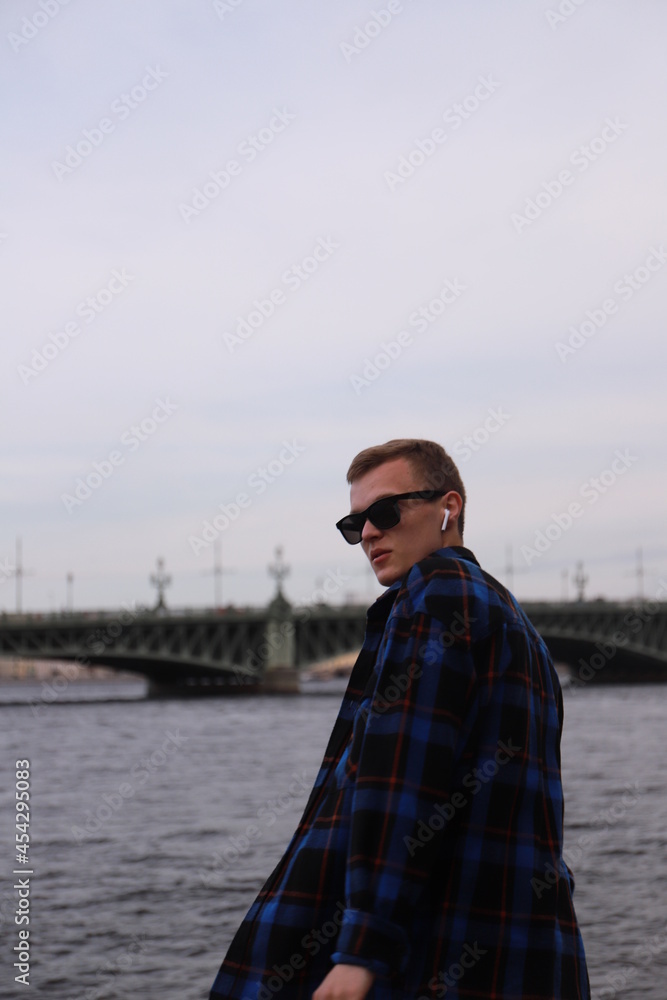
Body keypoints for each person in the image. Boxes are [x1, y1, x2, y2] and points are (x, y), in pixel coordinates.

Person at [208, 438, 590, 1000]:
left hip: (429, 952)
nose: (367, 533)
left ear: (448, 507)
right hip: (519, 946)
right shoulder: (512, 621)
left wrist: (362, 950)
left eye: (385, 512)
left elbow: (400, 783)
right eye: (353, 523)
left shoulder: (434, 596)